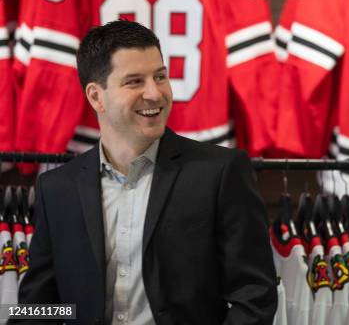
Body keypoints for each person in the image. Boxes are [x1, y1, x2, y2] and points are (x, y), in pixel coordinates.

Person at [15, 20, 277, 324]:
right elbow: (40, 306)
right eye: (135, 81)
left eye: (160, 76)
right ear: (96, 96)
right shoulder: (56, 189)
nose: (155, 93)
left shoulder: (220, 173)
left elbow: (255, 295)